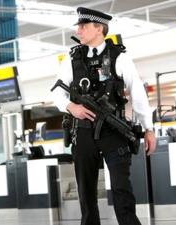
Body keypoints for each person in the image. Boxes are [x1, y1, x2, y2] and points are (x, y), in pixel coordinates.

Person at [52, 7, 157, 225]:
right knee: (86, 191)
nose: (79, 30)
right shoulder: (71, 59)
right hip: (82, 131)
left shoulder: (120, 57)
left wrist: (149, 129)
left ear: (99, 28)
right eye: (78, 27)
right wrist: (72, 107)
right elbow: (56, 93)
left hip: (114, 131)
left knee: (121, 188)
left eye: (83, 26)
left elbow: (138, 93)